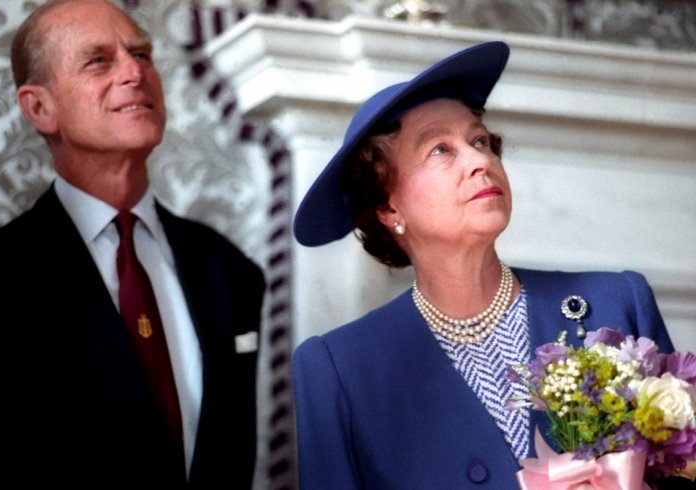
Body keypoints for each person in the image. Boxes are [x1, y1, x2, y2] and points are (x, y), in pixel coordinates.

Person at [290, 41, 684, 489]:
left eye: (479, 141)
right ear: (388, 207)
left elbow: (682, 472)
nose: (481, 161)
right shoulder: (339, 369)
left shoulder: (617, 302)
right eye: (440, 150)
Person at [0, 1, 264, 488]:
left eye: (141, 54)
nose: (135, 72)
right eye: (98, 60)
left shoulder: (230, 271)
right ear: (40, 108)